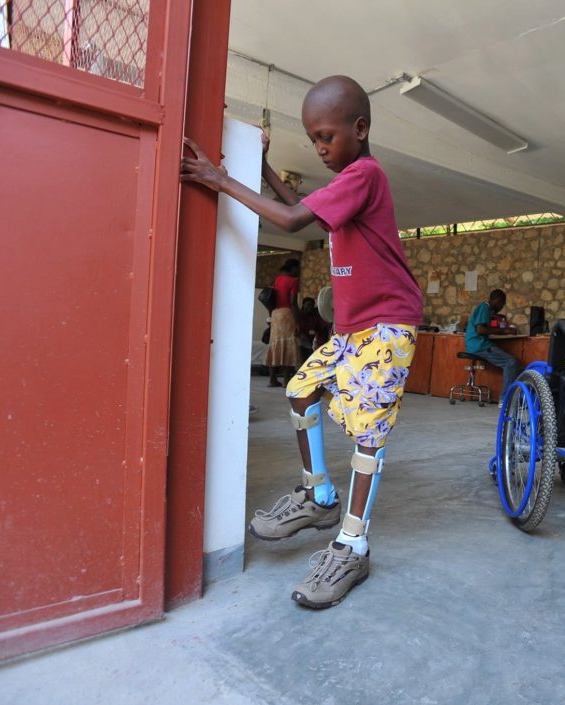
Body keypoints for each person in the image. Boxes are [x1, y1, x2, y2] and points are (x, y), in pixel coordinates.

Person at [181, 75, 423, 609]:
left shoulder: (365, 174)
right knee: (299, 390)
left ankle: (352, 546)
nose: (319, 147)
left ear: (359, 130)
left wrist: (219, 179)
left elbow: (292, 220)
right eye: (313, 138)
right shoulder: (347, 183)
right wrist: (262, 167)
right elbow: (302, 205)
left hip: (387, 325)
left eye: (326, 137)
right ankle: (319, 497)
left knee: (368, 432)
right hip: (352, 330)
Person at [465, 289, 520, 394]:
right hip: (479, 345)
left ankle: (513, 395)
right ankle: (506, 399)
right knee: (511, 362)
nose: (501, 308)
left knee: (514, 363)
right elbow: (481, 330)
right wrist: (504, 331)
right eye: (502, 304)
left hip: (475, 345)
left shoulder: (486, 309)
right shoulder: (484, 307)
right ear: (497, 300)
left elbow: (484, 329)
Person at [266, 258, 301, 387]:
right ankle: (286, 380)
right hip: (287, 314)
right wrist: (298, 321)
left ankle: (272, 379)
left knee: (274, 345)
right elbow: (293, 302)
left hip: (275, 314)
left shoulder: (277, 279)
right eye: (297, 268)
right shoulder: (293, 281)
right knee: (288, 346)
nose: (299, 271)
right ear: (292, 268)